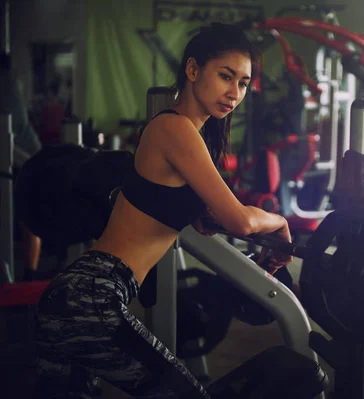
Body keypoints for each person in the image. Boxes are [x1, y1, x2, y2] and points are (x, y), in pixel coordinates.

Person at [33, 23, 293, 398]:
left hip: (75, 296)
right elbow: (239, 219)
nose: (234, 93)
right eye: (225, 76)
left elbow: (213, 219)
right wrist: (280, 223)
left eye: (243, 83)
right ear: (192, 70)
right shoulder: (175, 129)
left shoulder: (184, 135)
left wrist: (261, 256)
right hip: (95, 296)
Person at [0, 52, 43, 281]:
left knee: (30, 218)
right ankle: (28, 275)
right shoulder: (9, 81)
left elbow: (10, 134)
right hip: (25, 156)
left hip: (28, 157)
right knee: (29, 219)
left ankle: (29, 276)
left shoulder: (6, 83)